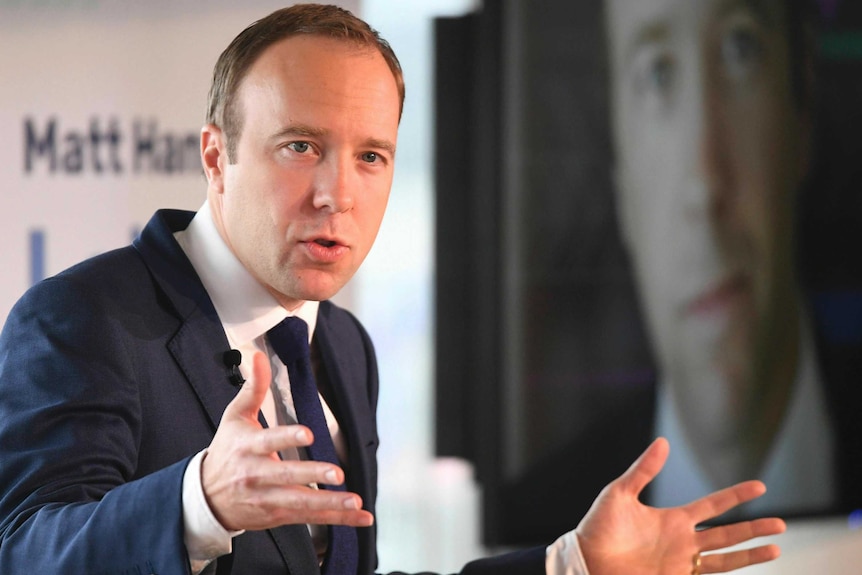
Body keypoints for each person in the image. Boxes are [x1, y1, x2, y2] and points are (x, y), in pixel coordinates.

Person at [0, 4, 785, 574]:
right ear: (216, 156)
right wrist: (198, 503)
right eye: (300, 146)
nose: (335, 194)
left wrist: (567, 565)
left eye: (371, 156)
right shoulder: (82, 319)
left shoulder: (340, 342)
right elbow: (28, 552)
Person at [603, 0, 842, 514]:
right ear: (620, 180)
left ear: (802, 113)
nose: (705, 185)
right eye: (657, 73)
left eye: (741, 48)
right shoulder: (550, 537)